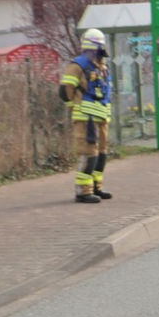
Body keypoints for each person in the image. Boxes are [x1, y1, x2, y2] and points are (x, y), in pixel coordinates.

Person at [58, 28, 112, 203]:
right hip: (85, 119)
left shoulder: (102, 66)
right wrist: (73, 107)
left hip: (101, 118)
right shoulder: (77, 66)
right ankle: (83, 192)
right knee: (88, 155)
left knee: (101, 155)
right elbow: (65, 91)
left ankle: (96, 187)